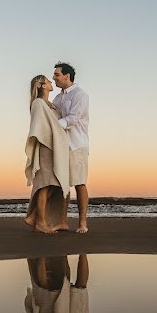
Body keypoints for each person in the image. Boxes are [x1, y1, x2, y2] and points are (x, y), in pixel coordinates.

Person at [24, 75, 71, 233]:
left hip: (54, 149)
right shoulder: (38, 103)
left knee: (54, 184)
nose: (51, 82)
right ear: (42, 86)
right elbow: (39, 127)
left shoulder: (50, 105)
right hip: (46, 148)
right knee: (44, 185)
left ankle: (33, 218)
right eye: (48, 81)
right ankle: (41, 222)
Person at [52, 62, 91, 233]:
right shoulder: (57, 98)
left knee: (79, 183)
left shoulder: (80, 95)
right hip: (61, 146)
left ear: (67, 76)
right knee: (63, 185)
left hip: (77, 144)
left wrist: (53, 125)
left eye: (57, 74)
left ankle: (82, 223)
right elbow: (51, 114)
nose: (54, 78)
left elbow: (73, 118)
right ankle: (63, 221)